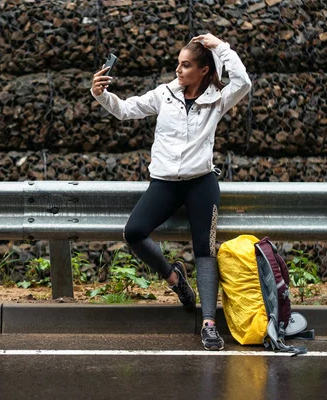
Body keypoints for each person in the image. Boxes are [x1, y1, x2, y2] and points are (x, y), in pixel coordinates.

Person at [91, 33, 251, 351]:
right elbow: (125, 110)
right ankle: (175, 278)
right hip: (164, 182)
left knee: (205, 251)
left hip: (201, 183)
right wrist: (101, 94)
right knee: (134, 232)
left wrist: (221, 47)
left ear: (204, 70)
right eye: (178, 64)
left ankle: (208, 325)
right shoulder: (165, 94)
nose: (178, 70)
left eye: (186, 65)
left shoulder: (216, 99)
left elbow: (243, 82)